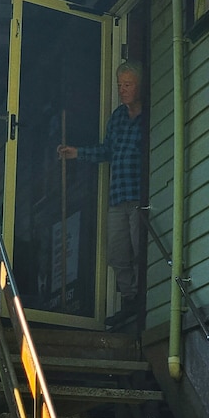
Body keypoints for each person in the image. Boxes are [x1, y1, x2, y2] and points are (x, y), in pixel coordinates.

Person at [57, 61, 144, 327]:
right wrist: (77, 153)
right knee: (118, 253)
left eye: (127, 85)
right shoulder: (117, 117)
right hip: (118, 196)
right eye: (119, 85)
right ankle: (129, 301)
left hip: (141, 196)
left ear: (139, 87)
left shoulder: (149, 116)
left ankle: (143, 303)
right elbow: (107, 150)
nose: (122, 90)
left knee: (141, 250)